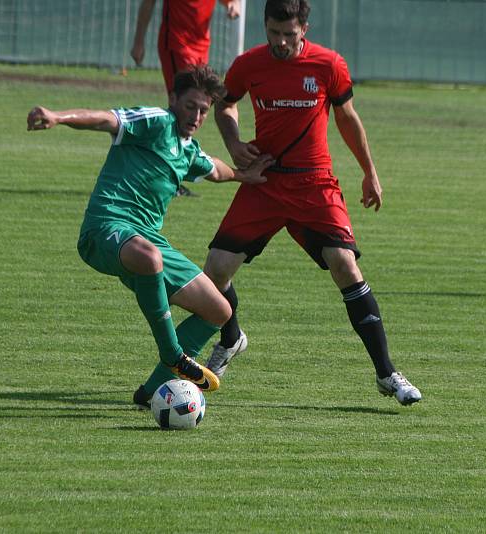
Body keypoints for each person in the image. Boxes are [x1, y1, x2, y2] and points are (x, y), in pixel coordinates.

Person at [203, 0, 422, 406]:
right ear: (265, 26)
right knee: (215, 269)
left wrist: (369, 171)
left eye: (289, 34)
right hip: (264, 181)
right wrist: (234, 142)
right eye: (273, 32)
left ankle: (387, 373)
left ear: (305, 27)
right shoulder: (249, 64)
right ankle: (231, 338)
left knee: (345, 265)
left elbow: (347, 117)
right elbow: (225, 103)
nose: (281, 42)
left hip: (314, 185)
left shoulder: (328, 64)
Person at [26, 65, 273, 407]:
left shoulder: (187, 150)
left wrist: (244, 176)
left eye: (203, 110)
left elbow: (215, 168)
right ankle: (173, 353)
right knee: (149, 255)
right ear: (173, 99)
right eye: (191, 106)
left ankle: (151, 392)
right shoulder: (156, 121)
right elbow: (106, 119)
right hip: (105, 229)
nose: (197, 115)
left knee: (219, 310)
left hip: (146, 241)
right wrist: (57, 116)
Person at [130, 0, 241, 198]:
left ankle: (171, 174)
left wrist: (232, 4)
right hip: (177, 43)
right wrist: (139, 40)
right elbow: (148, 3)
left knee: (196, 110)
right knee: (181, 111)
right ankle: (168, 177)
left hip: (201, 46)